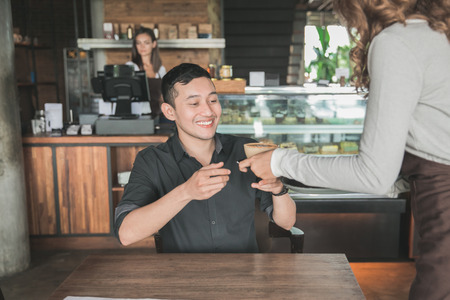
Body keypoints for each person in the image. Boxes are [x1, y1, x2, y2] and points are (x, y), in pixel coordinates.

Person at [239, 1, 450, 299]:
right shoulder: (437, 31)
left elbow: (374, 175)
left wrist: (280, 160)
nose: (342, 16)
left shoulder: (397, 41)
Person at [114, 63, 296, 253]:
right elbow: (125, 234)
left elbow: (286, 222)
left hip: (244, 276)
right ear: (170, 112)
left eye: (213, 100)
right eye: (194, 103)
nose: (208, 111)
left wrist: (278, 190)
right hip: (185, 277)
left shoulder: (247, 150)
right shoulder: (152, 160)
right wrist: (186, 192)